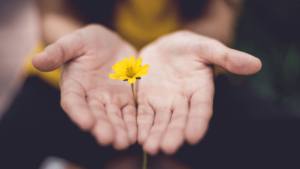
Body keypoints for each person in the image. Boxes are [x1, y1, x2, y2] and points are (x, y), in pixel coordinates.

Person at [0, 0, 298, 168]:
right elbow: (53, 12)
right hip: (83, 78)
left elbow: (219, 15)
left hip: (182, 80)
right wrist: (78, 42)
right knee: (10, 146)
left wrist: (195, 40)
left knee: (287, 138)